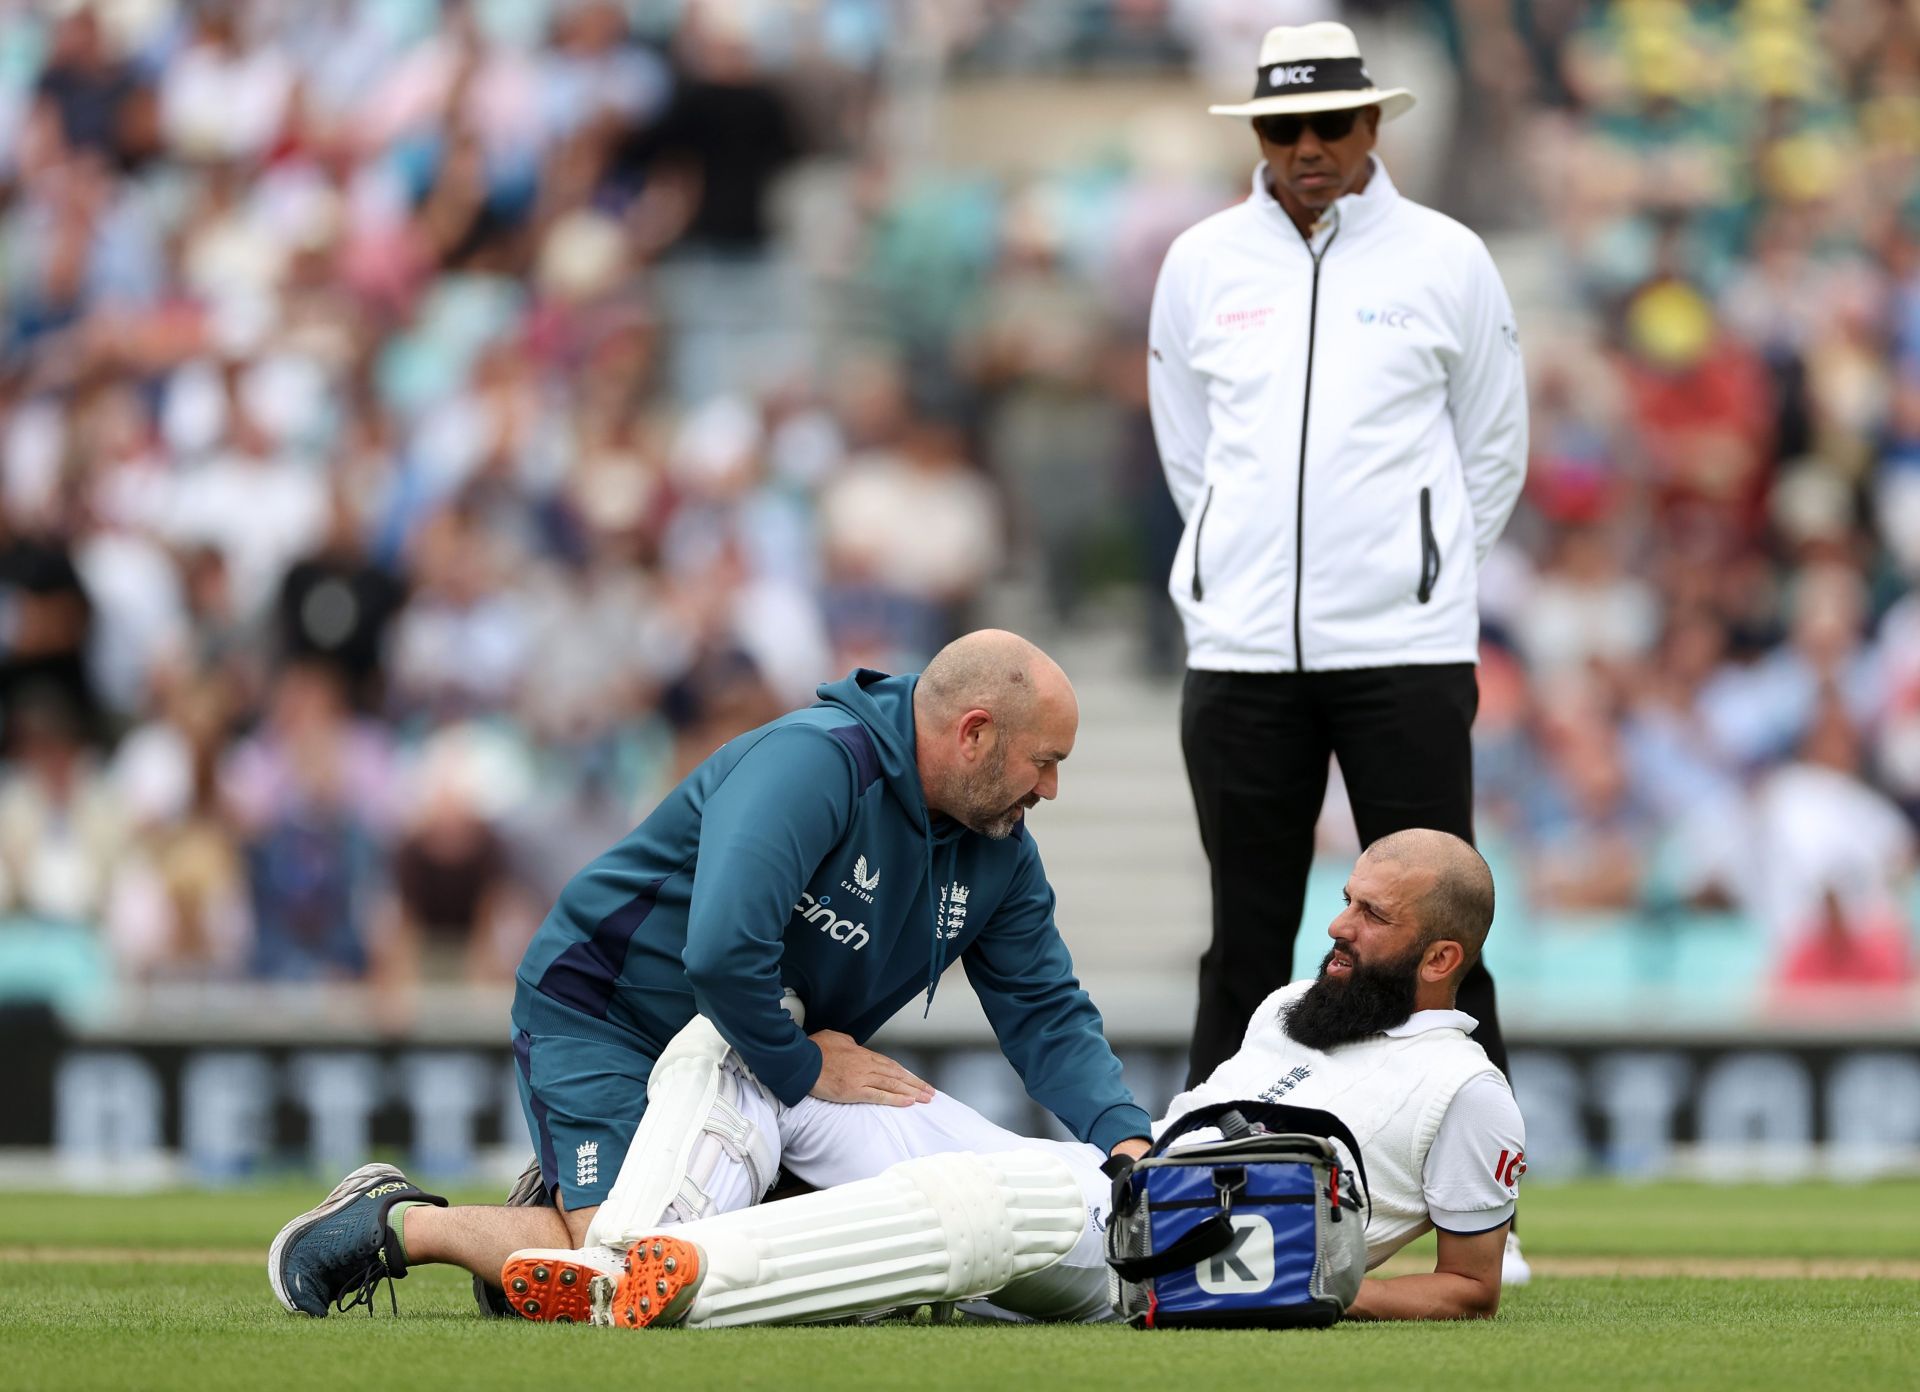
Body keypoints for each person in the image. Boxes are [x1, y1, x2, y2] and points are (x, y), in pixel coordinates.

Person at [267, 629, 1153, 1318]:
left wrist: (1125, 1140)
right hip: (608, 1013)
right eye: (1047, 761)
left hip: (751, 1060)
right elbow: (724, 956)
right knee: (638, 1263)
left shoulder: (1000, 852)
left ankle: (543, 1234)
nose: (1050, 789)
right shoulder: (815, 762)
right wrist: (810, 1069)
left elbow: (1047, 1012)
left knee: (764, 1270)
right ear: (974, 734)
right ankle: (398, 1222)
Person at [503, 829, 1525, 1328]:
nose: (1339, 927)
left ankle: (677, 1278)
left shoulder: (1465, 1088)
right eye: (1346, 900)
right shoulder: (1293, 1002)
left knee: (974, 1201)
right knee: (754, 1053)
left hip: (1168, 1265)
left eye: (1371, 918)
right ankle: (622, 1253)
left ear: (1442, 957)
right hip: (1113, 1187)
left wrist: (1313, 1292)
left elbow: (1470, 1289)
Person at [1145, 23, 1528, 1093]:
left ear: (1373, 124)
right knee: (1245, 936)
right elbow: (1191, 448)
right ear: (1259, 131)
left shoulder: (1447, 257)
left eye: (1329, 123)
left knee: (1441, 938)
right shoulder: (1201, 263)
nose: (1307, 146)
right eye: (1283, 125)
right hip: (1242, 652)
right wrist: (1233, 561)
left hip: (1403, 648)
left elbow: (1493, 449)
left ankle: (1476, 1200)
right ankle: (1208, 1183)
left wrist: (1424, 570)